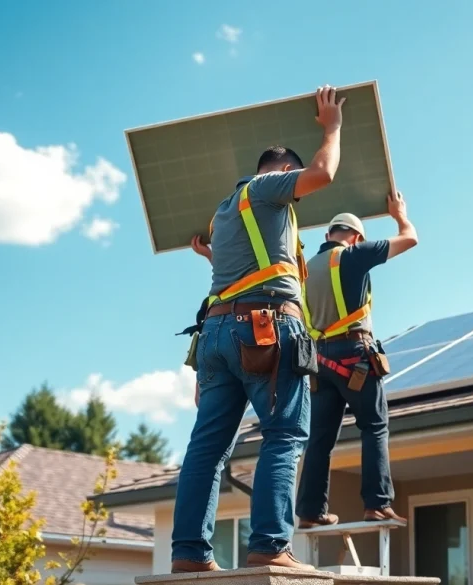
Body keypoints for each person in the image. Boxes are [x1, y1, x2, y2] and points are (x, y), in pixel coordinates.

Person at [170, 85, 346, 573]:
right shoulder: (268, 188)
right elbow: (323, 173)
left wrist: (209, 255)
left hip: (218, 336)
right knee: (284, 433)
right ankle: (270, 544)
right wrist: (331, 127)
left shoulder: (226, 211)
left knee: (208, 448)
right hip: (265, 331)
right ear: (283, 170)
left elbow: (242, 272)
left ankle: (189, 554)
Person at [294, 191, 418, 529]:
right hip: (354, 357)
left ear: (327, 235)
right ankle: (377, 503)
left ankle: (310, 511)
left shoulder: (304, 270)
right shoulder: (353, 254)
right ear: (356, 237)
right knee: (374, 426)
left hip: (319, 363)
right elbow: (410, 238)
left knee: (319, 440)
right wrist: (400, 215)